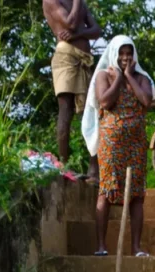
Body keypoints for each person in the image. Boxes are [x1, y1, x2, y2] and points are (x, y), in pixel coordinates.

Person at [82, 36, 154, 257]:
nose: (125, 57)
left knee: (137, 194)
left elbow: (146, 101)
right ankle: (101, 246)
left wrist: (129, 76)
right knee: (107, 190)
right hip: (112, 144)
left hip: (136, 144)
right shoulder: (104, 75)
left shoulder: (141, 78)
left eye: (129, 53)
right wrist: (118, 80)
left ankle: (136, 247)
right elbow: (105, 101)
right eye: (121, 53)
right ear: (114, 53)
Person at [43, 0, 102, 180]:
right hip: (65, 57)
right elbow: (70, 23)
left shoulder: (80, 4)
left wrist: (80, 33)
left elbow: (97, 31)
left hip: (84, 60)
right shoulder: (51, 1)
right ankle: (64, 167)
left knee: (91, 111)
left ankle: (94, 170)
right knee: (66, 110)